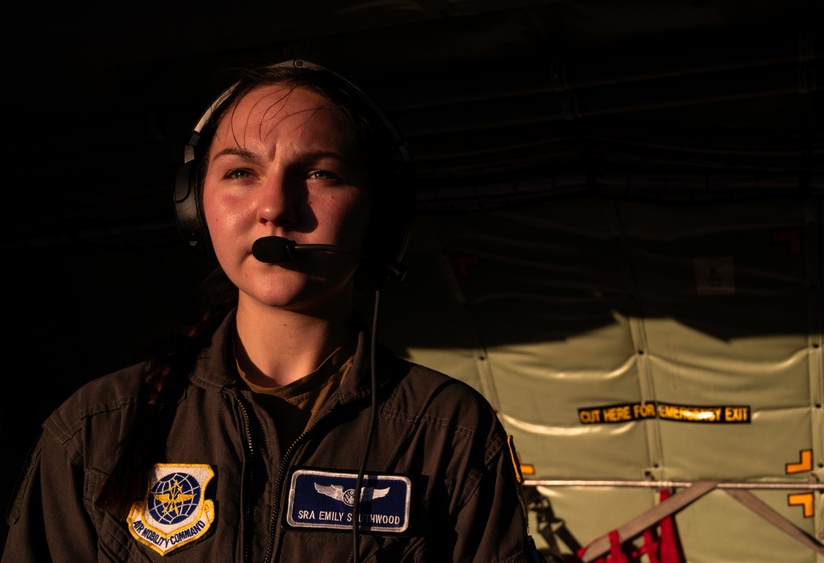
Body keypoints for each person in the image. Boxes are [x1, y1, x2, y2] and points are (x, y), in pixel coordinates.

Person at [3, 58, 538, 562]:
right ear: (194, 204)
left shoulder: (448, 432)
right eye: (240, 173)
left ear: (381, 214)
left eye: (321, 174)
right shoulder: (95, 429)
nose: (275, 206)